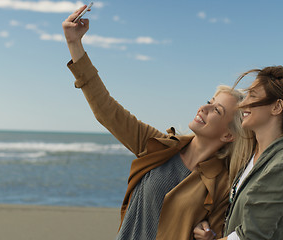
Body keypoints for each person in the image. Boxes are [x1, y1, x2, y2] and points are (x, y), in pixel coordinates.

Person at [62, 5, 253, 240]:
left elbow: (223, 234)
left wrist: (209, 236)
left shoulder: (222, 185)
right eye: (208, 101)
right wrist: (74, 44)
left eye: (217, 110)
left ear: (228, 135)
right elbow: (106, 110)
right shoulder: (159, 145)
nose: (203, 108)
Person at [194, 66, 283, 240]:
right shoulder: (255, 157)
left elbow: (250, 236)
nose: (242, 103)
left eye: (252, 96)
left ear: (277, 107)